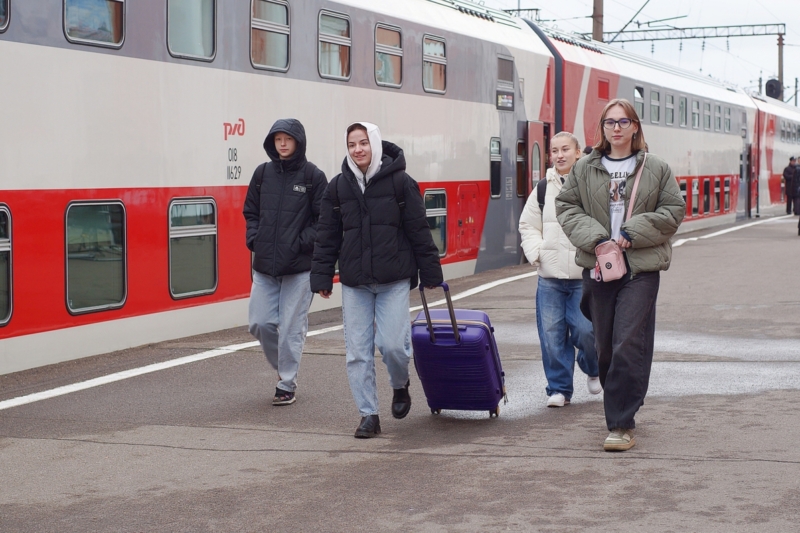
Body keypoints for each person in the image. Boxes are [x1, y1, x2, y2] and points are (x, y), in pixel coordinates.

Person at [556, 99, 685, 452]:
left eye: (623, 121)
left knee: (628, 342)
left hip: (640, 268)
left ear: (635, 127)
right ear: (602, 128)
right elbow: (566, 207)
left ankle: (621, 424)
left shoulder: (656, 168)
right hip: (600, 267)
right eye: (609, 122)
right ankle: (621, 406)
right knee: (605, 349)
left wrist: (635, 230)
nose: (616, 128)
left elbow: (674, 209)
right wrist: (595, 237)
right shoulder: (584, 168)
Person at [311, 122, 443, 438]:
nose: (358, 149)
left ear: (375, 144)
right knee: (357, 352)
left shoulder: (401, 183)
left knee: (393, 345)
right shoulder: (338, 187)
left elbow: (418, 230)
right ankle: (368, 414)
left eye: (363, 143)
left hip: (393, 278)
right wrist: (322, 275)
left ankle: (400, 384)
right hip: (356, 281)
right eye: (352, 144)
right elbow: (326, 236)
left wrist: (431, 272)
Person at [243, 119, 327, 406]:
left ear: (298, 142)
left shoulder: (313, 176)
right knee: (259, 322)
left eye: (287, 139)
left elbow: (324, 221)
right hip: (265, 265)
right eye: (277, 138)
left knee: (291, 327)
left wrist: (300, 243)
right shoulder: (262, 174)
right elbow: (250, 211)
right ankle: (284, 364)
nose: (282, 143)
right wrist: (255, 238)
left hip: (299, 269)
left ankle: (286, 382)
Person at [519, 132, 601, 408]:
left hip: (582, 277)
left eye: (565, 149)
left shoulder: (591, 185)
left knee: (586, 333)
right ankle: (559, 389)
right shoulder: (543, 187)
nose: (560, 155)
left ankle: (592, 366)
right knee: (552, 337)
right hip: (550, 279)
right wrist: (538, 253)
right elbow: (528, 225)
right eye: (554, 151)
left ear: (578, 152)